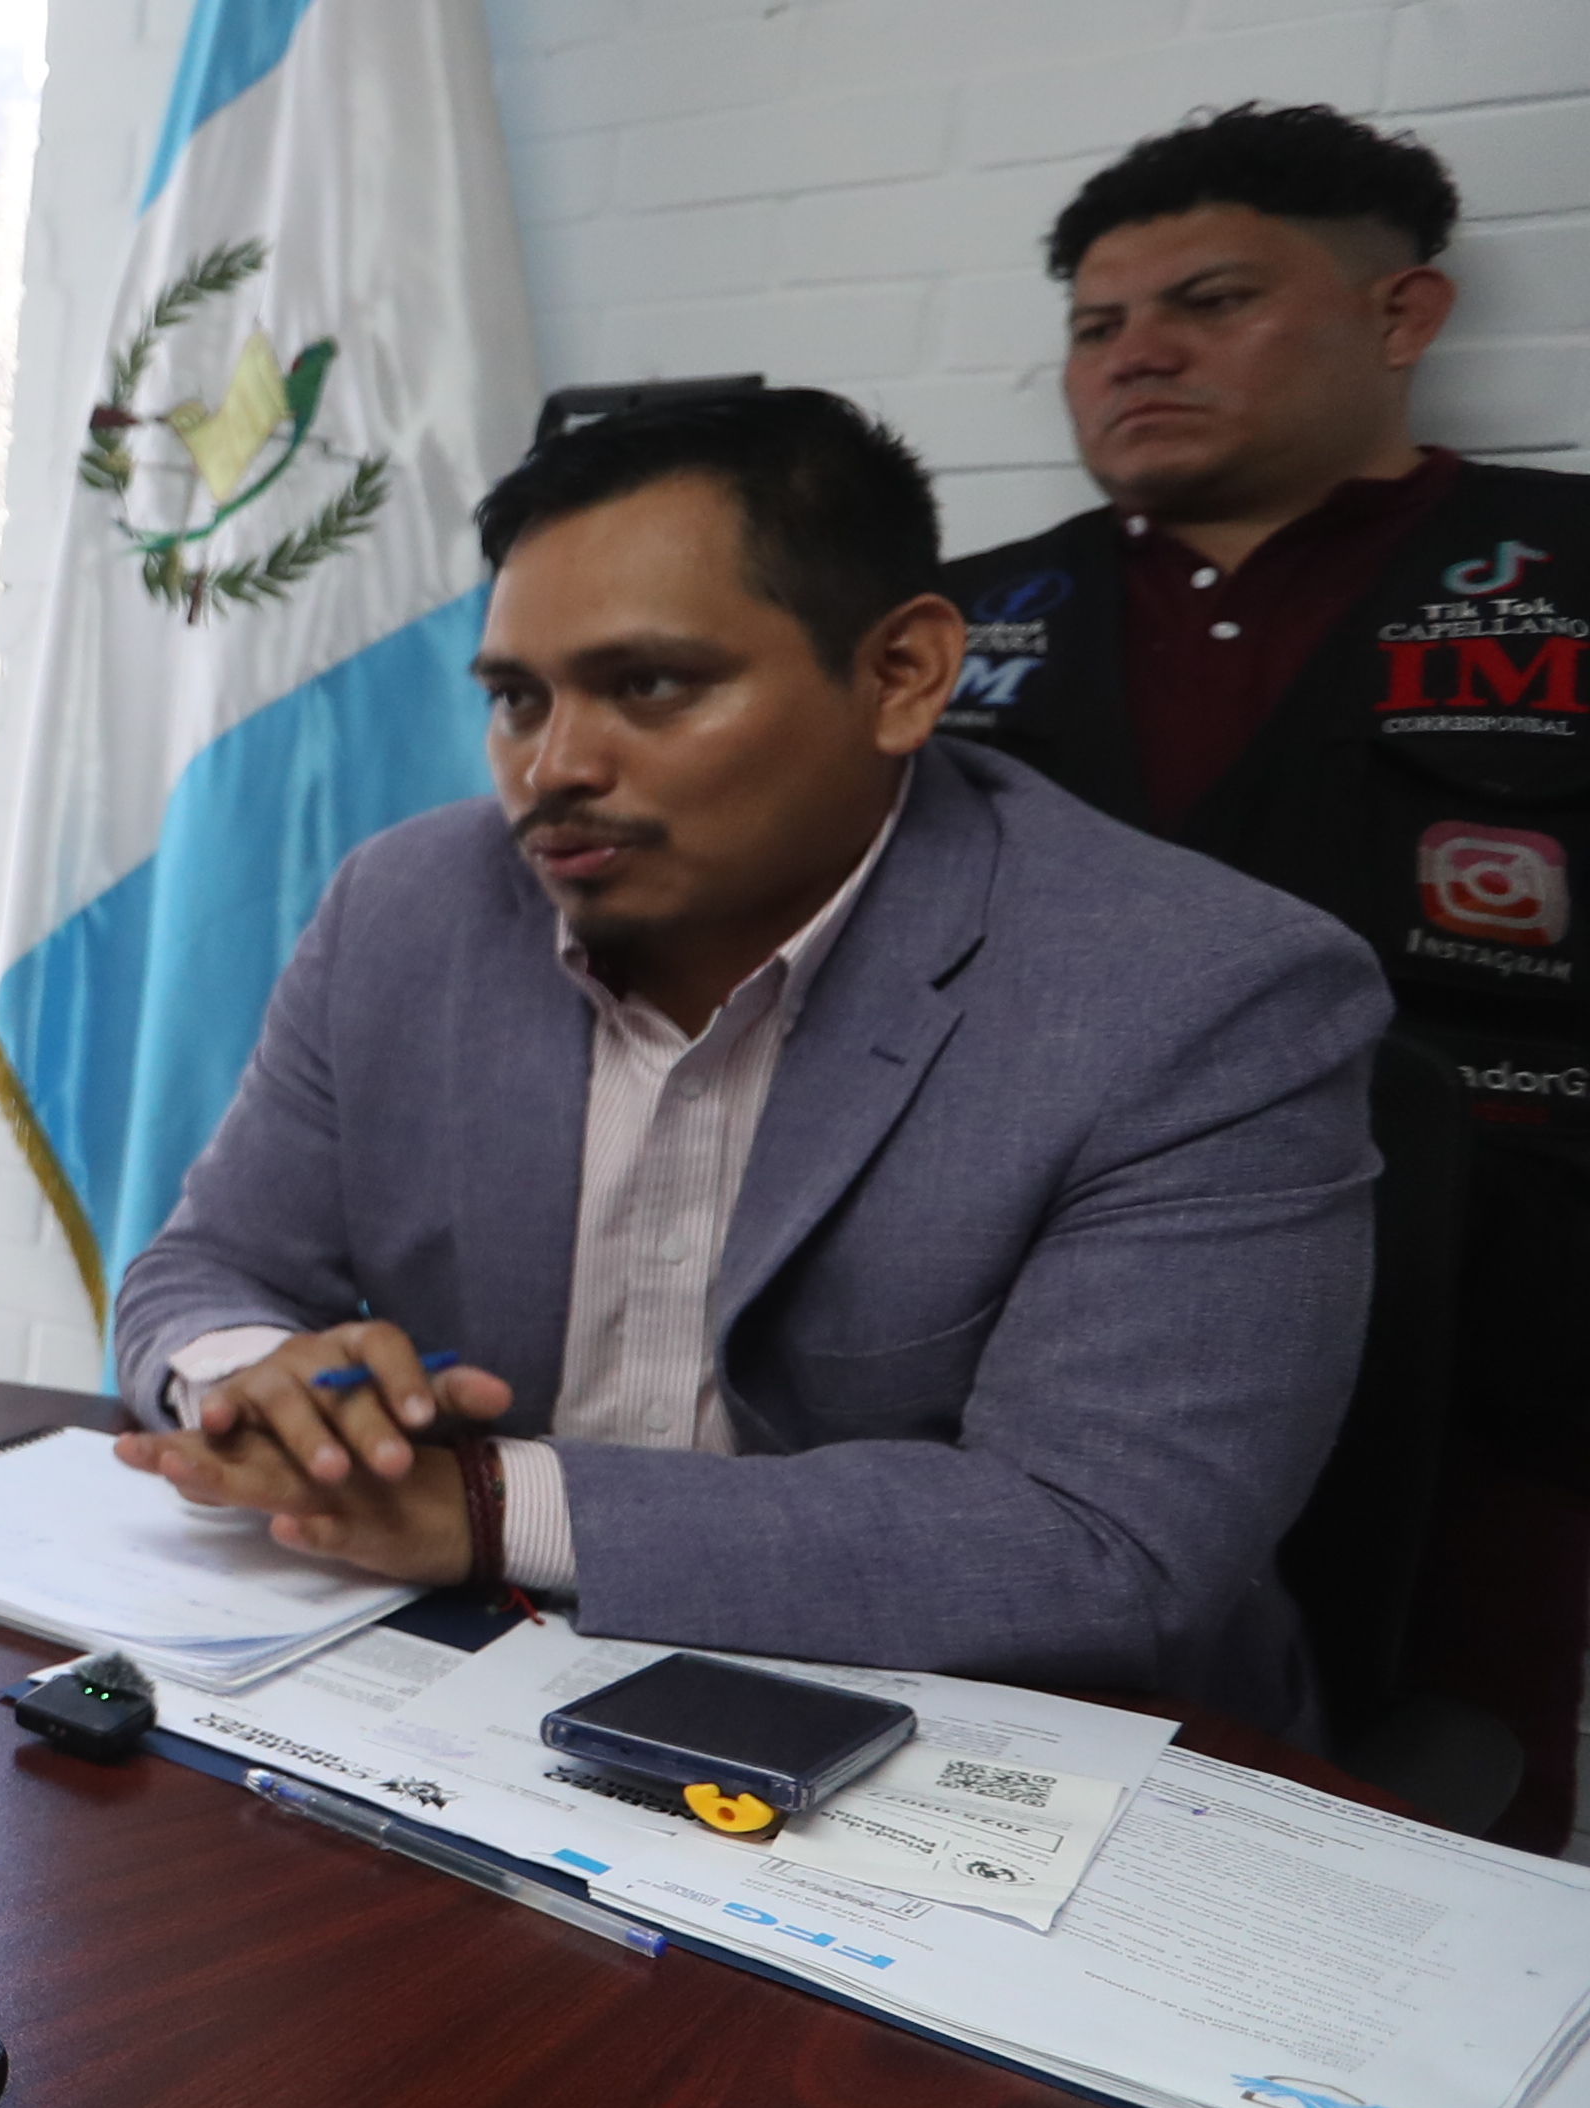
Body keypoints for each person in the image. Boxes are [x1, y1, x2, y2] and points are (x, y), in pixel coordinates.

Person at [110, 381, 1388, 1726]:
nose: (553, 767)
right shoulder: (408, 904)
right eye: (516, 699)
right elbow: (210, 1266)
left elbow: (1105, 1544)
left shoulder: (1203, 993)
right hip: (474, 1694)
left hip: (990, 1744)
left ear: (901, 675)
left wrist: (487, 1507)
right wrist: (263, 1381)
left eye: (649, 685)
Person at [935, 103, 1590, 1820]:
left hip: (1489, 1358)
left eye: (1208, 301)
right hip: (1020, 1359)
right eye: (1092, 326)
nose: (1133, 354)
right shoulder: (943, 627)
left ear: (1401, 317)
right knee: (1007, 1814)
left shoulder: (1565, 576)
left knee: (1435, 1831)